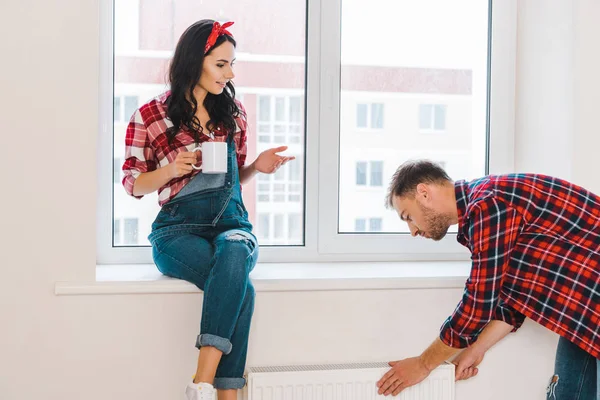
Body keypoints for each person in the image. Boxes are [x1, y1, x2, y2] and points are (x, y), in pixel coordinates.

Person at [122, 19, 294, 400]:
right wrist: (171, 169)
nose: (230, 73)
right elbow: (133, 182)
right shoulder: (150, 115)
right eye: (221, 63)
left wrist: (257, 167)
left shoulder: (234, 115)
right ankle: (225, 394)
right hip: (175, 232)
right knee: (240, 290)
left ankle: (201, 382)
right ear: (194, 61)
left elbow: (235, 179)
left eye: (232, 64)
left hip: (231, 222)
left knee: (234, 248)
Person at [377, 160, 599, 399]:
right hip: (585, 318)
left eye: (408, 216)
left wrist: (423, 364)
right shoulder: (486, 207)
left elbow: (478, 305)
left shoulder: (489, 204)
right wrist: (477, 348)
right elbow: (514, 299)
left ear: (423, 193)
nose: (413, 231)